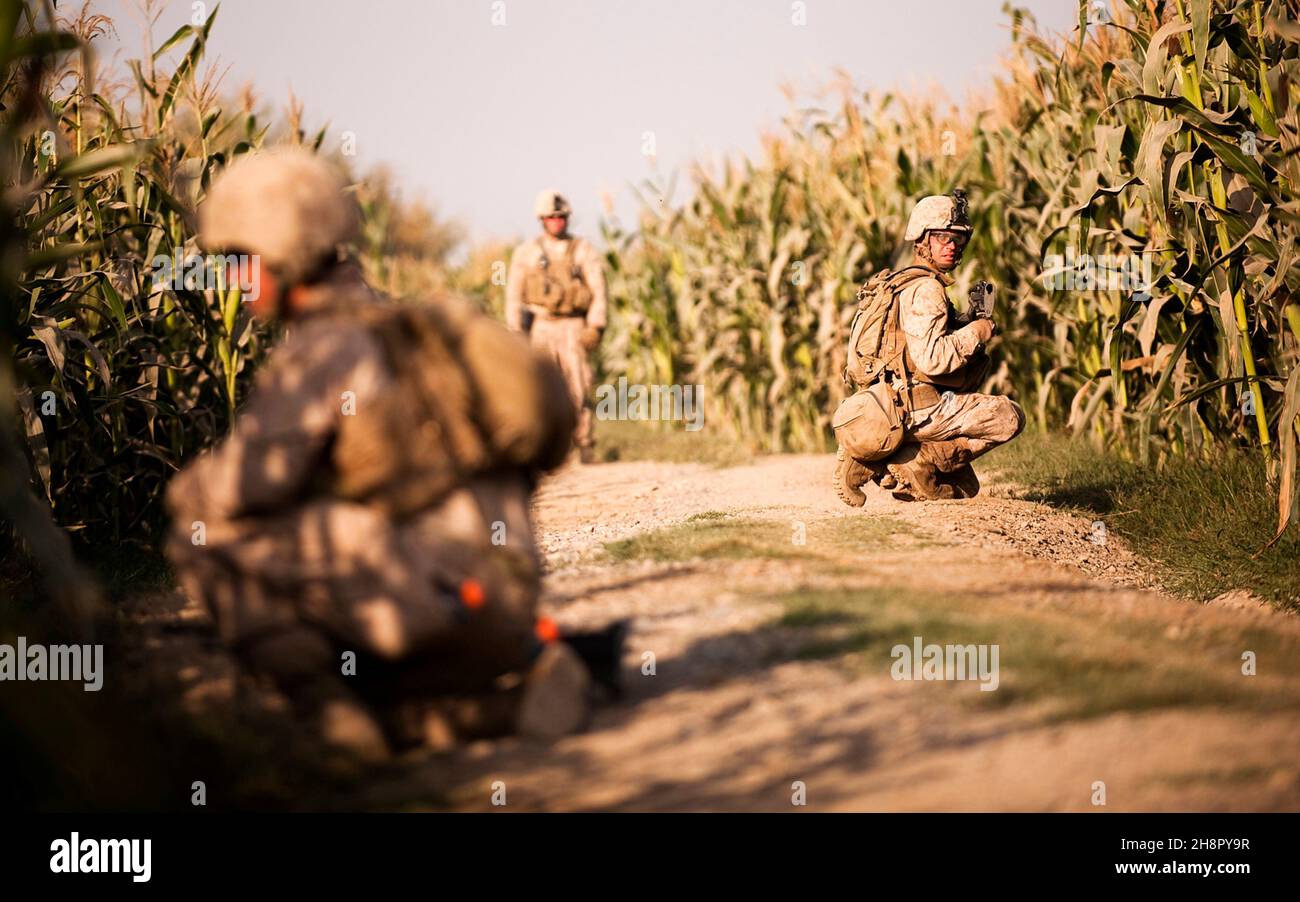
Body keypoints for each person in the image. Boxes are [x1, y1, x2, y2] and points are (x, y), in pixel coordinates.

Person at [165, 148, 590, 761]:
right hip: (508, 606)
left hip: (424, 606)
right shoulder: (417, 327)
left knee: (199, 535)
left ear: (280, 255)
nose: (232, 279)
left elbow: (239, 490)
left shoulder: (321, 351)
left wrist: (184, 489)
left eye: (239, 260)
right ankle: (491, 706)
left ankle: (329, 713)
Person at [835, 190, 1024, 504]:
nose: (951, 247)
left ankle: (885, 458)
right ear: (922, 240)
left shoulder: (900, 282)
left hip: (890, 401)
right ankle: (913, 461)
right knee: (1008, 416)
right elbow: (932, 360)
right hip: (918, 408)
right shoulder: (927, 288)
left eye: (958, 240)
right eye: (942, 238)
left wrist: (962, 321)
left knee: (966, 487)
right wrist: (976, 332)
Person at [505, 189, 607, 463]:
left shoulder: (582, 251)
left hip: (573, 325)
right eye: (551, 217)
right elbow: (514, 295)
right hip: (541, 326)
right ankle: (547, 449)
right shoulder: (527, 253)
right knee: (541, 387)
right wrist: (515, 333)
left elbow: (598, 290)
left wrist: (595, 325)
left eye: (561, 217)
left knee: (579, 384)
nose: (557, 222)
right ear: (542, 219)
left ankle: (584, 444)